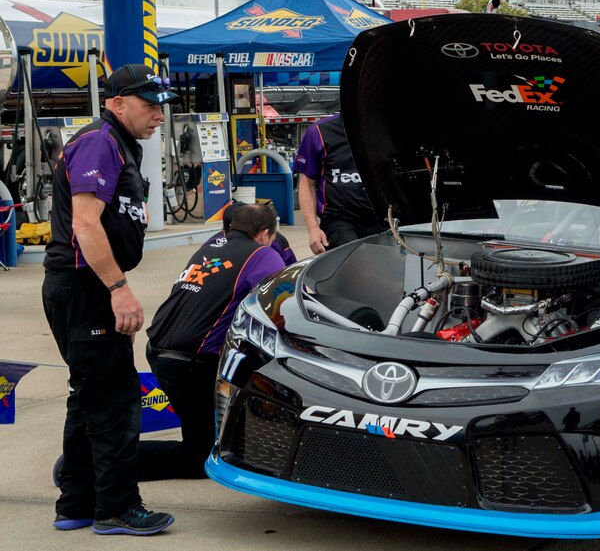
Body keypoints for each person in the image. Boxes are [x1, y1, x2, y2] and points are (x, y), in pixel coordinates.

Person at [42, 64, 178, 535]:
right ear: (117, 103)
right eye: (148, 105)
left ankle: (77, 504)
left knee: (90, 398)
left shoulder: (119, 144)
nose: (158, 115)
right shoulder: (101, 140)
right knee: (115, 403)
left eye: (161, 106)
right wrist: (119, 289)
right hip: (86, 288)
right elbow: (84, 224)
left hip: (83, 288)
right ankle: (117, 507)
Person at [137, 204, 285, 482]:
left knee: (215, 433)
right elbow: (281, 308)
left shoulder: (212, 246)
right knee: (200, 457)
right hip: (188, 364)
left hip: (159, 349)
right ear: (265, 233)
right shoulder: (262, 254)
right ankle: (96, 463)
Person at [293, 113, 382, 253]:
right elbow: (307, 184)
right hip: (340, 220)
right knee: (354, 265)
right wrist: (313, 229)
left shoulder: (386, 130)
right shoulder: (319, 132)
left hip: (384, 219)